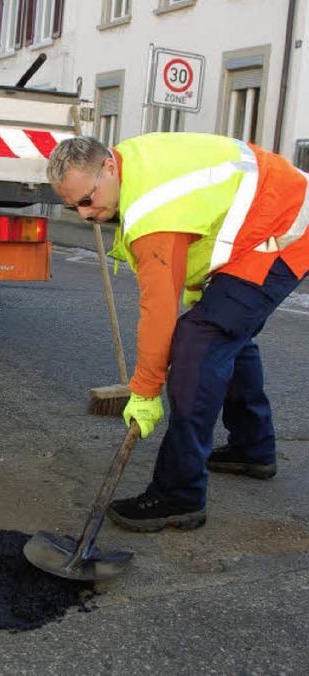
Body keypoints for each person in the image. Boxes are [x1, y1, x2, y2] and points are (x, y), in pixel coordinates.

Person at [47, 133, 309, 532]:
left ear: (109, 168)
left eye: (86, 200)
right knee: (224, 331)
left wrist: (147, 390)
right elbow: (203, 219)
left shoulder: (153, 209)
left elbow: (158, 312)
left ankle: (179, 494)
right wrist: (195, 289)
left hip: (285, 230)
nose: (83, 214)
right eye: (73, 206)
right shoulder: (134, 164)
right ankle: (252, 448)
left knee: (199, 341)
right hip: (264, 223)